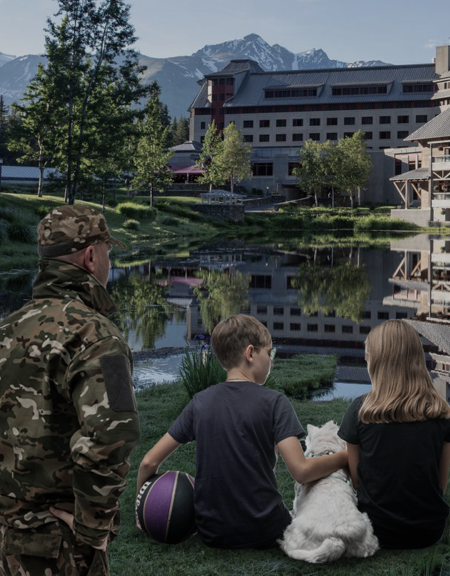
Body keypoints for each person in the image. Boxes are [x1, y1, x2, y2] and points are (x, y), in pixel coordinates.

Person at [0, 205, 141, 576]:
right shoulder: (100, 337)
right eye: (108, 251)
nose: (109, 262)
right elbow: (115, 431)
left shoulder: (7, 329)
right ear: (91, 256)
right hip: (59, 549)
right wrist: (94, 526)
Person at [137, 314, 347, 549]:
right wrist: (344, 457)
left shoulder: (200, 402)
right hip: (267, 530)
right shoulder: (275, 402)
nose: (272, 361)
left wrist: (141, 510)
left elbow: (148, 462)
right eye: (269, 353)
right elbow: (302, 471)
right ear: (250, 353)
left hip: (212, 533)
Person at [338, 319, 450, 549]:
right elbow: (441, 486)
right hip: (428, 532)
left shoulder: (359, 411)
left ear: (378, 363)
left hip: (375, 530)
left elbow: (357, 482)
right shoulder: (442, 413)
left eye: (368, 357)